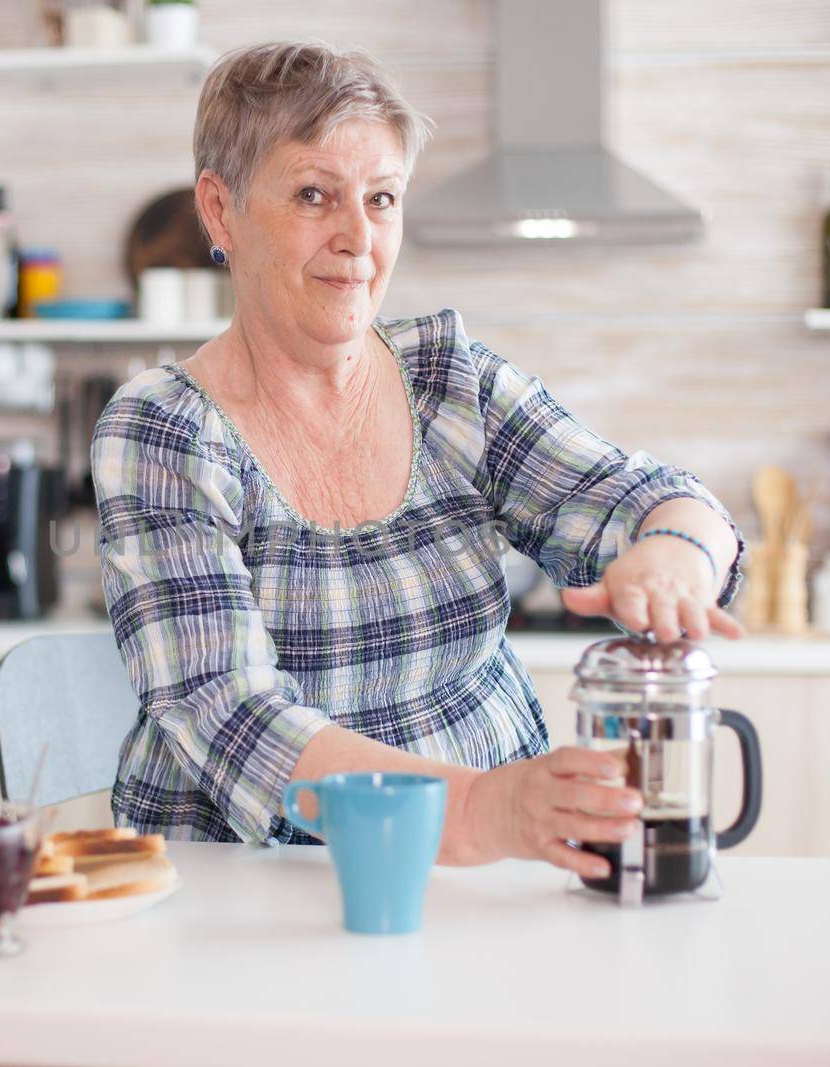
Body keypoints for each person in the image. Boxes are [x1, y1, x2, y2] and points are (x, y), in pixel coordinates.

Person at [92, 41, 744, 875]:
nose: (358, 237)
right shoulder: (163, 431)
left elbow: (658, 498)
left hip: (484, 878)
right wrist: (478, 808)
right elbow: (238, 724)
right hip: (261, 889)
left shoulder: (449, 381)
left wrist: (674, 556)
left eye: (383, 197)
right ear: (221, 212)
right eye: (314, 194)